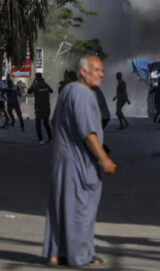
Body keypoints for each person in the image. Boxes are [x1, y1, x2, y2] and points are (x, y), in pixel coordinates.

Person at [43, 56, 116, 267]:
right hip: (80, 163)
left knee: (61, 206)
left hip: (62, 159)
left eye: (102, 69)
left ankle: (56, 253)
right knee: (81, 208)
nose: (101, 73)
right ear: (83, 72)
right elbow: (88, 134)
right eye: (96, 69)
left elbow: (54, 122)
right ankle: (79, 256)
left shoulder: (67, 91)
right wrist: (104, 159)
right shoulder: (84, 95)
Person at [30, 73, 54, 145]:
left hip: (39, 108)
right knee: (46, 123)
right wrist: (44, 83)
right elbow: (51, 91)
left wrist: (33, 83)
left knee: (38, 124)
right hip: (47, 107)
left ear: (36, 78)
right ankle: (50, 139)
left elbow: (29, 91)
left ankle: (41, 140)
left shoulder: (35, 85)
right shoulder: (45, 85)